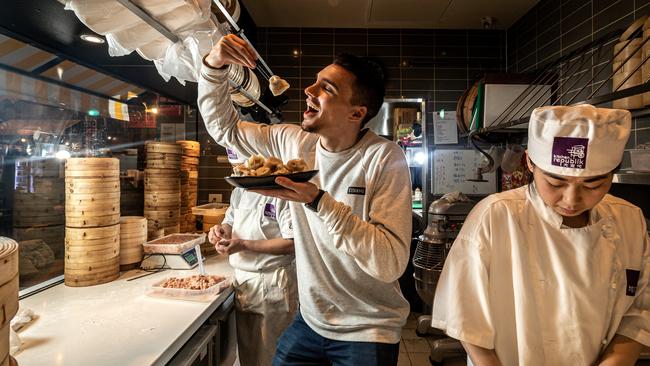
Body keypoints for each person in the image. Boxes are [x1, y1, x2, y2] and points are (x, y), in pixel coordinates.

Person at [198, 34, 412, 365]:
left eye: (327, 88)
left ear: (357, 113)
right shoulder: (295, 143)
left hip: (366, 327)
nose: (309, 91)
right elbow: (225, 129)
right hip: (310, 320)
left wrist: (318, 201)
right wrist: (214, 66)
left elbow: (389, 262)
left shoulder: (384, 159)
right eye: (315, 83)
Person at [431, 105, 650, 365]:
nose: (572, 199)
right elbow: (464, 316)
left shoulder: (628, 219)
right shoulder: (497, 215)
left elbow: (638, 313)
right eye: (556, 183)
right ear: (530, 163)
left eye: (593, 184)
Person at [208, 147, 298, 366]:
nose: (240, 174)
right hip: (243, 281)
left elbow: (292, 243)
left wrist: (244, 244)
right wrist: (220, 230)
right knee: (250, 356)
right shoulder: (240, 189)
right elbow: (231, 220)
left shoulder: (283, 192)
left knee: (270, 356)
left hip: (272, 282)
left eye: (243, 168)